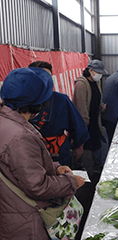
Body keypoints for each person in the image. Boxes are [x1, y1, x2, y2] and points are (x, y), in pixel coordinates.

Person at [0, 68, 85, 239]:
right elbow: (37, 187)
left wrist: (55, 168)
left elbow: (19, 167)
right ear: (35, 104)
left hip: (11, 210)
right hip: (26, 219)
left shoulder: (6, 121)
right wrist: (71, 182)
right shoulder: (19, 136)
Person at [28, 61, 89, 169]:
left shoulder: (61, 99)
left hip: (58, 153)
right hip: (30, 153)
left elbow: (76, 124)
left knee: (62, 181)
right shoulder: (22, 101)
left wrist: (78, 146)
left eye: (48, 77)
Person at [73, 59, 109, 175]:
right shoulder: (81, 84)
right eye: (98, 73)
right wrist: (84, 124)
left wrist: (101, 106)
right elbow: (81, 106)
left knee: (96, 145)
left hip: (95, 121)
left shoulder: (96, 82)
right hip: (85, 123)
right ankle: (86, 173)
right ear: (91, 70)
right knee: (86, 148)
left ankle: (97, 168)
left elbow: (96, 99)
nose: (100, 75)